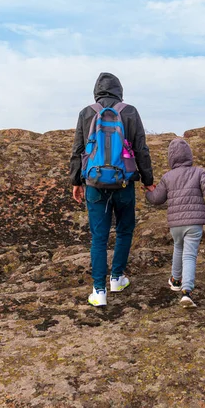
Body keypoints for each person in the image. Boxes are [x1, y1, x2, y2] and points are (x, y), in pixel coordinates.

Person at [70, 72, 155, 306]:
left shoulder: (87, 112)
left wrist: (76, 181)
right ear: (119, 90)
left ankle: (99, 291)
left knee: (99, 237)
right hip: (124, 182)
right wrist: (148, 180)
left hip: (95, 184)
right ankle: (117, 278)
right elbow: (141, 148)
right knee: (125, 230)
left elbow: (78, 149)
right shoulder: (129, 111)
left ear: (97, 91)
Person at [145, 138, 205, 308]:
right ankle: (186, 292)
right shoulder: (198, 172)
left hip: (175, 224)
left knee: (178, 248)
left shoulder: (167, 177)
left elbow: (157, 199)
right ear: (189, 156)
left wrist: (148, 193)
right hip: (194, 222)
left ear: (171, 158)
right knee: (190, 255)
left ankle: (175, 280)